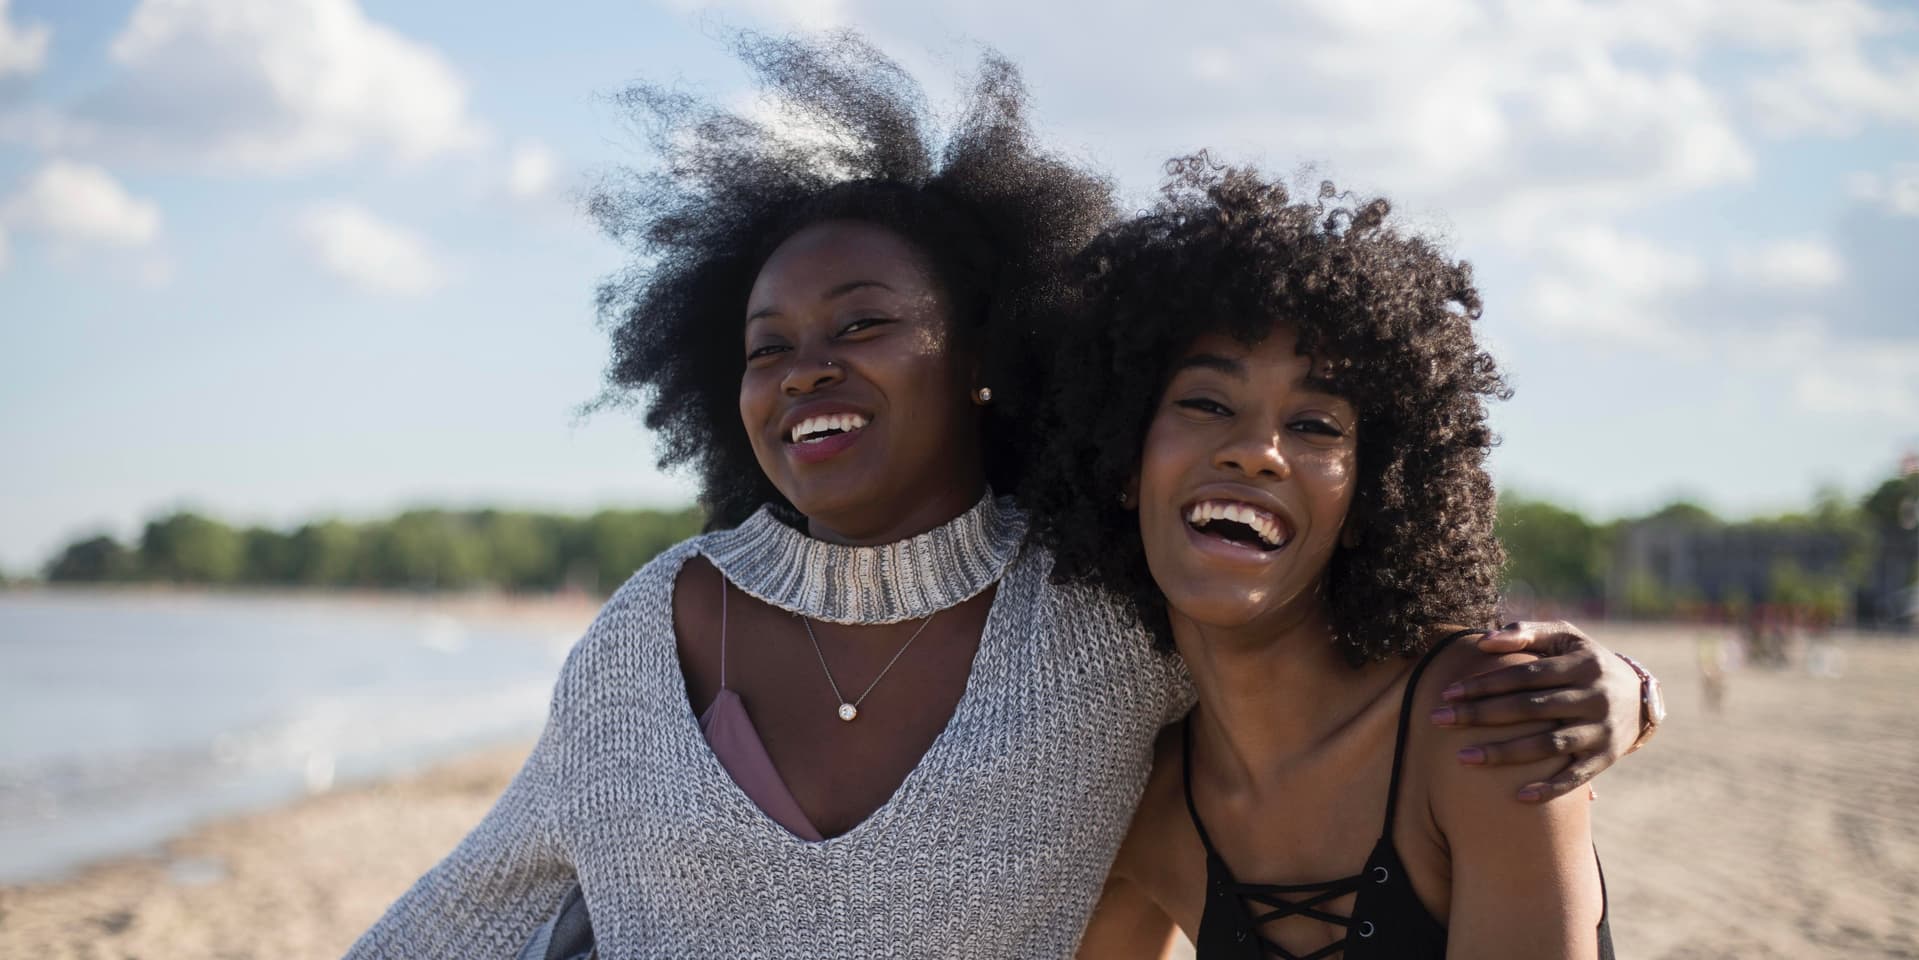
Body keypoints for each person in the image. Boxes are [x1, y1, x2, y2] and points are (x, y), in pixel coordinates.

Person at [350, 36, 1651, 959]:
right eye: (768, 344)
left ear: (983, 361)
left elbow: (1323, 634)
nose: (808, 367)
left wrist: (1622, 686)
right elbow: (472, 910)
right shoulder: (646, 631)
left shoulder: (1101, 612)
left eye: (863, 323)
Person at [1035, 159, 1617, 958]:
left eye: (1315, 425)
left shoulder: (1481, 726)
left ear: (1367, 502)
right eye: (1207, 403)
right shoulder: (1149, 805)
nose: (1256, 452)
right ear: (1124, 465)